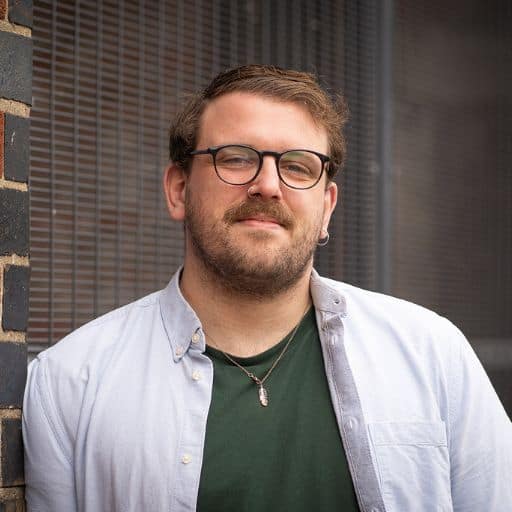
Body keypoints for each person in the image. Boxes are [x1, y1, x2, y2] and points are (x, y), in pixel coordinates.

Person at [23, 65, 511, 512]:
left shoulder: (432, 353)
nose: (268, 184)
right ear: (178, 190)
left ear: (326, 207)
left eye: (298, 166)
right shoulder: (70, 384)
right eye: (235, 158)